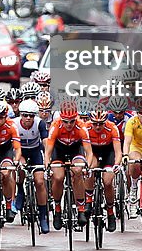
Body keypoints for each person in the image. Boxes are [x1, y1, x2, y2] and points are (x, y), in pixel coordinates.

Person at [45, 99, 93, 229]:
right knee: (58, 177)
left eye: (72, 121)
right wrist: (47, 167)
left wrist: (86, 167)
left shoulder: (81, 127)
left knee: (77, 172)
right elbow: (48, 152)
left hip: (75, 150)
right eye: (66, 121)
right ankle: (57, 209)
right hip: (58, 151)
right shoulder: (55, 126)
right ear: (61, 118)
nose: (69, 124)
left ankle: (81, 209)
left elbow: (89, 152)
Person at [13, 98, 50, 234]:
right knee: (21, 169)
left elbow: (45, 142)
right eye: (25, 115)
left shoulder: (40, 123)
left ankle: (43, 215)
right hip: (21, 151)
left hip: (35, 152)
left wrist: (47, 158)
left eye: (31, 116)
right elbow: (14, 145)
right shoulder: (15, 124)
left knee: (40, 182)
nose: (28, 118)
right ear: (20, 115)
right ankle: (20, 190)